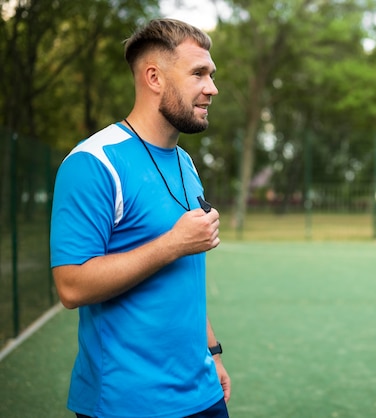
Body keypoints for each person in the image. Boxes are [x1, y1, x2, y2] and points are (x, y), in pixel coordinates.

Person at [50, 19, 230, 418]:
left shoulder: (185, 163)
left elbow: (185, 277)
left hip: (203, 393)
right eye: (198, 74)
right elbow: (71, 286)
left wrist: (213, 352)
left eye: (212, 75)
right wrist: (173, 243)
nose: (212, 88)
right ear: (154, 77)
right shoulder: (93, 162)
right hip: (127, 404)